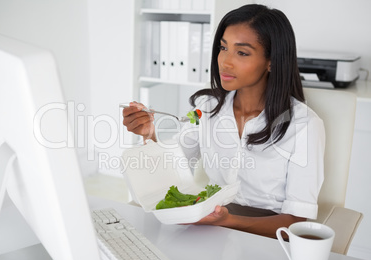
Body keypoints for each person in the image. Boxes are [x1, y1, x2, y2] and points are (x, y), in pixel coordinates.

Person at [122, 4, 325, 239]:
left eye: (242, 53)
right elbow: (170, 169)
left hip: (267, 237)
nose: (225, 62)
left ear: (272, 61)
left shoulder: (304, 125)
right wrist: (149, 135)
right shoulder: (208, 108)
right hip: (210, 224)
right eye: (223, 47)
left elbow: (296, 223)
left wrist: (228, 221)